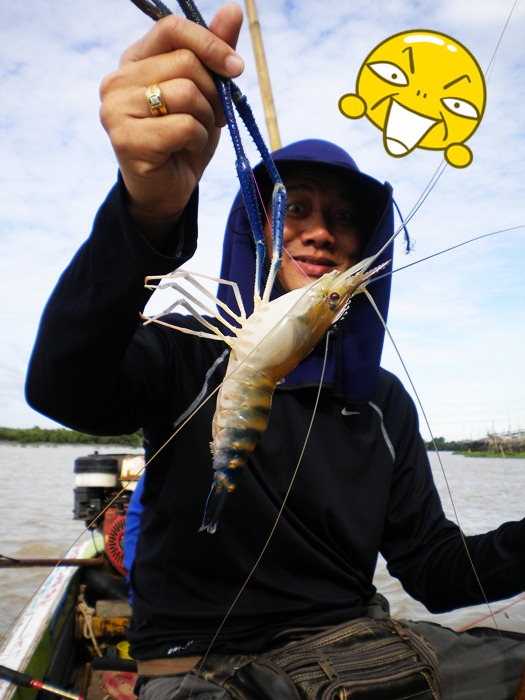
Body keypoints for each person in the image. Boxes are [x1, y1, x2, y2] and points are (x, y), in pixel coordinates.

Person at [25, 5, 525, 699]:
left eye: (345, 217)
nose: (321, 233)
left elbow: (437, 572)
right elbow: (62, 388)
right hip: (200, 663)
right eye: (296, 208)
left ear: (361, 250)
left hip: (359, 648)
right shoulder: (188, 346)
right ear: (255, 226)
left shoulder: (379, 400)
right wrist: (146, 212)